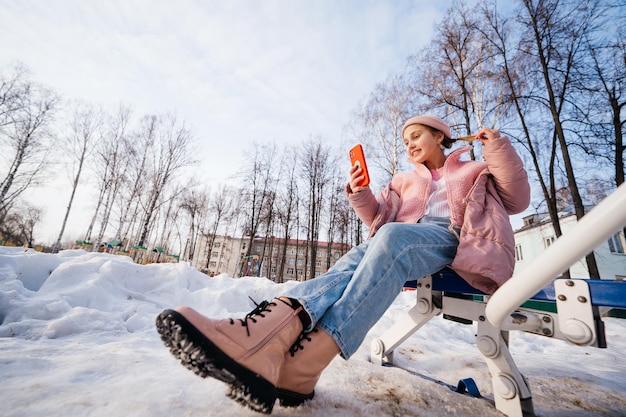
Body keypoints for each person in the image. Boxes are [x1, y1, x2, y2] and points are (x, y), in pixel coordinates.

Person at [155, 114, 530, 414]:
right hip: (398, 240)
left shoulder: (474, 171)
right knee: (363, 251)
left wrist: (497, 147)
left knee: (391, 238)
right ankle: (292, 363)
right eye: (405, 141)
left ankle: (268, 338)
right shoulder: (403, 181)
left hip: (453, 238)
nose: (410, 144)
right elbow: (378, 216)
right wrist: (360, 192)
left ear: (439, 136)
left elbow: (517, 199)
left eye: (417, 136)